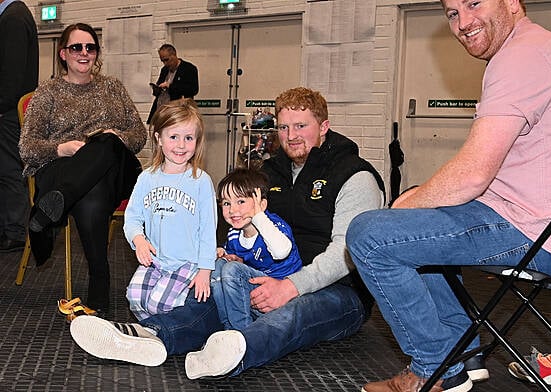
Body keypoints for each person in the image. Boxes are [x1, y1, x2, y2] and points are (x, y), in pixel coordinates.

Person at [346, 0, 551, 391]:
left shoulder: (521, 57)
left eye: (473, 3)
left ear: (512, 3)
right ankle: (461, 355)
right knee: (411, 228)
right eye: (453, 13)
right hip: (544, 220)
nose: (463, 22)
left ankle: (433, 370)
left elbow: (472, 175)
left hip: (540, 233)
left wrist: (404, 204)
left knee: (369, 235)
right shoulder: (535, 48)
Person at [69, 87, 385, 377]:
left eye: (301, 126)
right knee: (216, 285)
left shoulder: (354, 176)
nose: (291, 136)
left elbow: (348, 253)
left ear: (324, 127)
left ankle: (236, 349)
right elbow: (244, 224)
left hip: (337, 291)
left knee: (293, 315)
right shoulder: (270, 172)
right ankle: (150, 336)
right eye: (284, 127)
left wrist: (291, 286)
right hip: (265, 275)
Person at [19, 23, 146, 312]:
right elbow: (27, 148)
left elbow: (139, 135)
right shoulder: (47, 92)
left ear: (97, 53)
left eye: (90, 47)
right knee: (91, 194)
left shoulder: (112, 87)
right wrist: (61, 148)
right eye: (77, 47)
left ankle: (52, 208)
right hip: (63, 167)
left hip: (113, 170)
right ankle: (99, 286)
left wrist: (115, 139)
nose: (84, 53)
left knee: (105, 142)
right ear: (63, 53)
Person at [124, 99, 217, 321]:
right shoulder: (147, 178)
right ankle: (150, 330)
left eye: (188, 138)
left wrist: (205, 270)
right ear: (159, 138)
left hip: (187, 263)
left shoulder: (201, 181)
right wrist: (139, 240)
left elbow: (208, 230)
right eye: (173, 137)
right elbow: (133, 217)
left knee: (159, 303)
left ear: (197, 141)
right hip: (157, 260)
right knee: (134, 296)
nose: (181, 145)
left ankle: (162, 330)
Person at [211, 167, 302, 331]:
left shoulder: (274, 225)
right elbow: (237, 260)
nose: (232, 210)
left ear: (262, 204)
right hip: (257, 295)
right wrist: (225, 254)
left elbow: (281, 251)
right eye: (226, 203)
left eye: (241, 201)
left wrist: (259, 216)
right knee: (218, 266)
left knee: (231, 269)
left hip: (283, 299)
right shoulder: (233, 234)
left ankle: (243, 333)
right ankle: (227, 327)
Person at [0, 0, 37, 252]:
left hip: (8, 112)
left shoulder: (12, 18)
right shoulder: (16, 14)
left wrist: (1, 106)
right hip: (10, 110)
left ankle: (13, 232)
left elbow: (10, 74)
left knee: (9, 171)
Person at [147, 44, 199, 124]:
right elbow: (160, 85)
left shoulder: (189, 68)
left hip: (178, 110)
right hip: (162, 109)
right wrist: (156, 89)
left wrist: (170, 86)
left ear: (174, 55)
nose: (165, 63)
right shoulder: (164, 70)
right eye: (162, 61)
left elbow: (193, 89)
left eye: (166, 60)